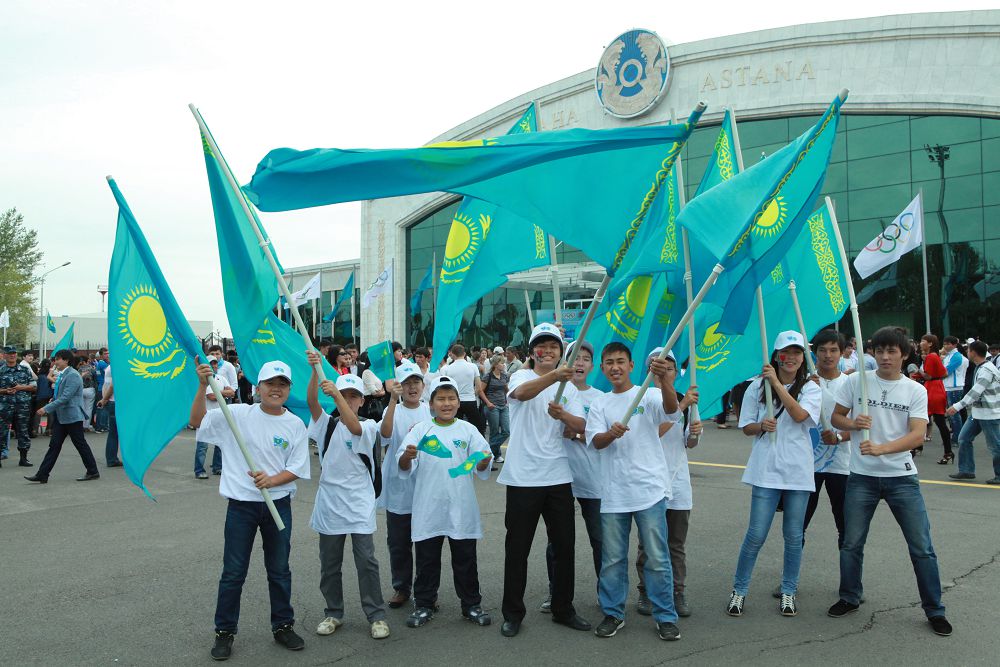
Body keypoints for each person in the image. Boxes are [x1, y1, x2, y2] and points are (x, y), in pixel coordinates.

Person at [827, 326, 952, 637]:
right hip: (861, 478)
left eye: (891, 351)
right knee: (851, 543)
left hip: (902, 478)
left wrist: (882, 448)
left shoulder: (915, 390)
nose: (884, 356)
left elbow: (917, 434)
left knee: (922, 548)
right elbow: (837, 418)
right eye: (879, 350)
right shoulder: (857, 381)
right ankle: (849, 596)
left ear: (904, 354)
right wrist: (853, 423)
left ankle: (934, 609)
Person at [190, 357, 311, 660]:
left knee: (279, 570)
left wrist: (272, 480)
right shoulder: (237, 415)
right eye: (271, 383)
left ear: (288, 390)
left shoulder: (295, 423)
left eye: (282, 384)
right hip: (242, 507)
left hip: (278, 505)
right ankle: (224, 631)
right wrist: (203, 384)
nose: (276, 389)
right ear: (258, 387)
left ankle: (283, 625)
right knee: (233, 573)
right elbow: (197, 421)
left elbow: (297, 467)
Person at [498, 323, 590, 638]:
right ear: (533, 351)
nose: (547, 351)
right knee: (517, 548)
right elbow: (521, 394)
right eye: (542, 346)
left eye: (553, 346)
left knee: (564, 546)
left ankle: (563, 609)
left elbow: (580, 424)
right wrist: (554, 376)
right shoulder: (522, 376)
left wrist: (563, 416)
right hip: (523, 477)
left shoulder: (571, 389)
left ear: (561, 351)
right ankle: (512, 613)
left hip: (558, 476)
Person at [586, 343, 683, 641]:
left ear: (630, 365)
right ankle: (613, 613)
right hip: (614, 493)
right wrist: (610, 434)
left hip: (649, 490)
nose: (615, 367)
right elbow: (596, 442)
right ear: (603, 368)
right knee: (613, 558)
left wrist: (663, 380)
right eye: (609, 363)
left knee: (657, 556)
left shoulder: (649, 394)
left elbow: (671, 411)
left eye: (620, 362)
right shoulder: (601, 404)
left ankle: (665, 615)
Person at [727, 331, 821, 618]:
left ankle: (789, 591)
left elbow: (800, 416)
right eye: (785, 352)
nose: (790, 357)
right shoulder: (757, 387)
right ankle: (739, 591)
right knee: (755, 534)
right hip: (766, 469)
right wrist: (761, 426)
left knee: (793, 535)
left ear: (803, 356)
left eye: (796, 352)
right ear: (776, 355)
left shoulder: (811, 388)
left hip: (798, 471)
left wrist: (777, 384)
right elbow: (746, 427)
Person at [398, 376, 494, 628]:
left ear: (459, 402)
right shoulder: (421, 430)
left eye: (451, 398)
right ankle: (424, 604)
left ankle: (471, 604)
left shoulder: (468, 430)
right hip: (429, 508)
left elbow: (482, 461)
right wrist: (408, 456)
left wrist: (482, 460)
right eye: (441, 398)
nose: (446, 403)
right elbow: (403, 465)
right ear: (431, 403)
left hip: (461, 508)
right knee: (427, 560)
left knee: (465, 559)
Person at [306, 353, 390, 641]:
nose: (349, 399)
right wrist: (314, 372)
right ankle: (333, 612)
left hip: (358, 503)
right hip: (330, 503)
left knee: (366, 561)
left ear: (361, 400)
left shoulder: (369, 426)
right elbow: (312, 404)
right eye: (344, 395)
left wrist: (337, 398)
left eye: (353, 396)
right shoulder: (326, 425)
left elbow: (352, 425)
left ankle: (376, 615)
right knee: (330, 564)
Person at [636, 348, 702, 619]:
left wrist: (695, 433)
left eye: (668, 367)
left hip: (677, 483)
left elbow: (690, 443)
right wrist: (683, 406)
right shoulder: (640, 399)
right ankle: (645, 592)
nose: (662, 371)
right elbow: (653, 433)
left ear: (675, 372)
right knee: (648, 544)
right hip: (649, 483)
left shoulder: (682, 399)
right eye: (656, 366)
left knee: (675, 544)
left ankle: (677, 591)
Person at [541, 340, 603, 613]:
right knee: (558, 543)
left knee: (601, 541)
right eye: (574, 357)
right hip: (558, 480)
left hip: (592, 481)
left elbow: (604, 436)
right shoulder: (551, 391)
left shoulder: (600, 397)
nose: (579, 363)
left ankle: (607, 595)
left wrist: (577, 433)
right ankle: (556, 594)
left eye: (585, 358)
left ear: (592, 366)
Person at [378, 362, 431, 610]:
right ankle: (401, 587)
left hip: (425, 488)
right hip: (398, 488)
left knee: (425, 543)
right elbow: (385, 435)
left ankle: (426, 590)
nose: (412, 387)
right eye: (407, 383)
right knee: (399, 543)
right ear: (399, 386)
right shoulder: (395, 411)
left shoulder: (430, 411)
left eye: (416, 382)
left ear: (423, 385)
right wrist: (391, 401)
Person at [800, 331, 852, 550]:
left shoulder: (852, 383)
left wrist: (839, 437)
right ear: (814, 352)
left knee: (846, 526)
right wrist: (805, 390)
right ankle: (790, 577)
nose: (827, 355)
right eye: (822, 350)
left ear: (842, 353)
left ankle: (849, 580)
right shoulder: (803, 383)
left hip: (842, 465)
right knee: (797, 525)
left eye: (833, 350)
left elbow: (862, 425)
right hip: (807, 464)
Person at [25, 349, 101, 483]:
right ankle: (42, 474)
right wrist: (53, 400)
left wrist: (46, 408)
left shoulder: (72, 375)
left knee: (80, 444)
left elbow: (66, 397)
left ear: (66, 360)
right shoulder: (63, 374)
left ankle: (93, 471)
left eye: (58, 359)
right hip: (63, 417)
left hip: (72, 416)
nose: (55, 362)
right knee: (54, 445)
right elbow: (61, 395)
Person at [947, 340, 1000, 483]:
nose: (967, 352)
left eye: (968, 350)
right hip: (978, 412)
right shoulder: (982, 367)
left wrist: (956, 406)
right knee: (963, 438)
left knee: (995, 446)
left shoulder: (987, 370)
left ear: (973, 353)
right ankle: (966, 470)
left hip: (990, 413)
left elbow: (974, 393)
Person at [194, 357, 234, 479]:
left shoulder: (221, 378)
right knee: (202, 446)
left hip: (220, 416)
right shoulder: (204, 381)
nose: (214, 366)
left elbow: (231, 392)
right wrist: (223, 392)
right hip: (205, 416)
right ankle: (199, 470)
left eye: (215, 364)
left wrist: (219, 393)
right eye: (211, 364)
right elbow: (211, 396)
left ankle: (217, 467)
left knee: (220, 444)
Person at [916, 334, 952, 464]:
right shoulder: (934, 356)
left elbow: (928, 376)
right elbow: (944, 373)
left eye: (922, 341)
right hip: (937, 388)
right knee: (937, 421)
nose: (920, 343)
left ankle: (916, 447)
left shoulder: (931, 357)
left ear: (930, 343)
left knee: (924, 419)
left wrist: (917, 371)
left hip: (932, 389)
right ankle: (947, 452)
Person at [1, 346, 36, 466]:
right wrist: (5, 391)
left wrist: (20, 387)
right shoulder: (1, 369)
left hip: (22, 406)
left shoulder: (24, 369)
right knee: (2, 431)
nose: (12, 355)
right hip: (4, 406)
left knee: (23, 431)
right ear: (4, 355)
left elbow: (34, 386)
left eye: (14, 353)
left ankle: (23, 458)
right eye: (9, 353)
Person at [445, 344, 486, 434]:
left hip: (455, 401)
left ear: (453, 354)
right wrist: (472, 393)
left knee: (455, 428)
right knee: (477, 428)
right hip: (470, 400)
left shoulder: (448, 369)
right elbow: (479, 388)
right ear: (464, 354)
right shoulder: (473, 366)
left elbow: (447, 387)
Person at [482, 352, 510, 464]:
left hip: (503, 406)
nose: (503, 365)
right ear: (495, 364)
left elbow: (506, 389)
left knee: (506, 431)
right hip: (492, 406)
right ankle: (496, 455)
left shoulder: (504, 375)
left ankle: (487, 450)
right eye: (501, 363)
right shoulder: (488, 376)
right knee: (494, 432)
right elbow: (480, 391)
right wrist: (488, 403)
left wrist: (509, 398)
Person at [941, 336, 968, 439]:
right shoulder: (949, 356)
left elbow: (946, 371)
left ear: (955, 345)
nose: (946, 346)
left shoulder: (956, 356)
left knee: (954, 414)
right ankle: (957, 436)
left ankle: (957, 437)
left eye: (948, 344)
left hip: (954, 388)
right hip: (950, 387)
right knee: (953, 414)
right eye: (944, 344)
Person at [78, 357, 97, 431]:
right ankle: (86, 426)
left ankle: (81, 424)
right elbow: (95, 380)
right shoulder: (92, 369)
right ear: (87, 361)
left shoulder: (79, 369)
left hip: (81, 389)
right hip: (90, 389)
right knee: (89, 408)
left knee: (81, 407)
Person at [94, 348, 110, 432]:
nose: (107, 355)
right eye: (105, 354)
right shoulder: (103, 364)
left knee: (101, 407)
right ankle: (101, 426)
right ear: (100, 355)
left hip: (102, 387)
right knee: (103, 408)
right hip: (103, 388)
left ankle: (100, 426)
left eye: (108, 353)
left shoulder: (100, 363)